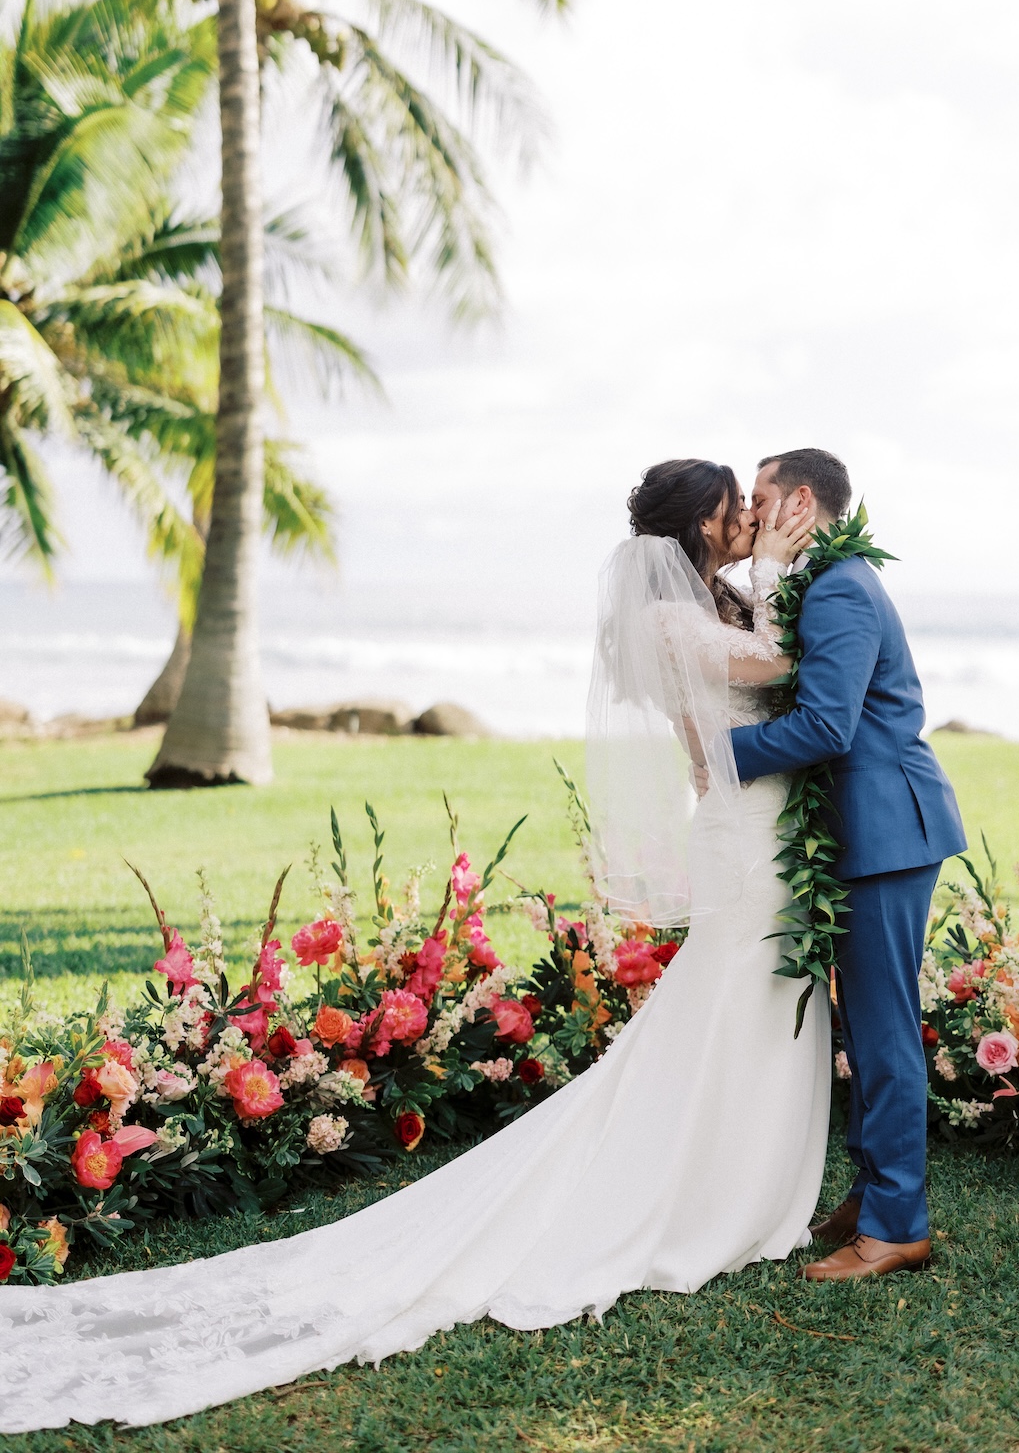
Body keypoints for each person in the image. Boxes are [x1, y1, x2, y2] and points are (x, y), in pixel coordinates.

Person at [0, 458, 831, 1435]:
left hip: (759, 833)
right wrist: (785, 570)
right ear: (701, 525)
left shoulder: (706, 604)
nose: (751, 520)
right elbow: (778, 673)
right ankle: (702, 1194)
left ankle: (730, 1179)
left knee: (742, 1012)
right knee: (731, 1008)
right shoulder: (668, 617)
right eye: (738, 509)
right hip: (743, 841)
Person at [730, 448, 967, 1281]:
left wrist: (717, 754)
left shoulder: (837, 586)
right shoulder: (824, 582)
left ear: (800, 498)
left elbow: (828, 726)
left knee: (884, 1028)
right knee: (865, 1026)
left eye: (759, 496)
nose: (750, 512)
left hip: (885, 830)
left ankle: (897, 1223)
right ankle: (872, 1197)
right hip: (864, 829)